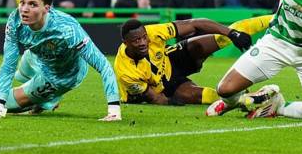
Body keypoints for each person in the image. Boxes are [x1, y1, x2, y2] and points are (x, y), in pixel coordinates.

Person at [0, 0, 121, 121]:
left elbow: (103, 65)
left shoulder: (67, 28)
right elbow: (8, 65)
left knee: (8, 103)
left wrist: (114, 111)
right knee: (16, 77)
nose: (24, 9)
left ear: (46, 8)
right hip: (37, 57)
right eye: (22, 2)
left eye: (32, 4)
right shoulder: (15, 21)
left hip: (61, 75)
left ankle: (49, 99)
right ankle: (42, 96)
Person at [114, 15, 270, 106]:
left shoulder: (153, 33)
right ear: (125, 42)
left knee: (221, 38)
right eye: (136, 40)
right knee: (201, 96)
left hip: (170, 61)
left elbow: (194, 24)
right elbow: (155, 98)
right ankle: (248, 99)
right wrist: (173, 101)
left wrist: (232, 33)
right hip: (161, 88)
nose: (142, 42)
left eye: (143, 37)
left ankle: (276, 18)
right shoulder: (125, 71)